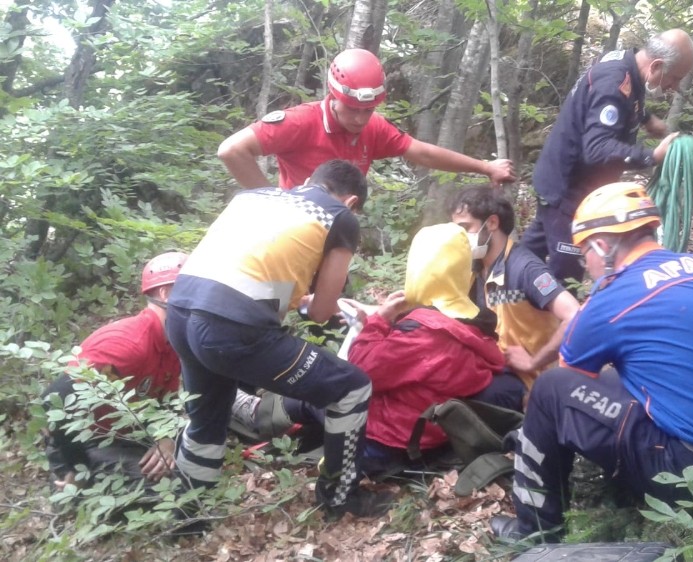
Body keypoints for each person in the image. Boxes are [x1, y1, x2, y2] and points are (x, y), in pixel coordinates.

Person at [490, 182, 693, 541]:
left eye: (583, 252)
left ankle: (535, 534)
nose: (585, 266)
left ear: (602, 246)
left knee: (549, 389)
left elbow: (568, 393)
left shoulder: (609, 300)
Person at [165, 159, 391, 519]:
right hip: (231, 328)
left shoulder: (254, 196)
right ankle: (339, 499)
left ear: (308, 180)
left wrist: (301, 303)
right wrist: (331, 306)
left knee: (207, 419)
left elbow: (253, 277)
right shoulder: (340, 217)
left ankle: (188, 516)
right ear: (351, 203)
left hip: (179, 311)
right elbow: (321, 313)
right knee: (351, 388)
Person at [230, 223, 509, 473]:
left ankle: (257, 414)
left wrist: (379, 321)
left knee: (325, 382)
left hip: (389, 439)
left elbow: (358, 374)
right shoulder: (475, 322)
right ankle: (270, 413)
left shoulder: (424, 335)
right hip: (425, 428)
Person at [521, 29, 693, 284]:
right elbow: (597, 148)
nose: (675, 86)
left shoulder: (627, 66)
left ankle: (498, 301)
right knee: (564, 280)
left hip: (558, 182)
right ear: (657, 65)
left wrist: (646, 118)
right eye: (675, 77)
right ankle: (547, 318)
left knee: (526, 256)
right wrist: (652, 156)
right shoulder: (613, 83)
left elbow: (621, 102)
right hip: (568, 192)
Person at [217, 48, 516, 190]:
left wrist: (485, 167)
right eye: (352, 108)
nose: (360, 119)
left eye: (368, 110)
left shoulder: (374, 128)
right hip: (293, 229)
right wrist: (272, 201)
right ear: (333, 96)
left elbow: (422, 152)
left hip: (338, 228)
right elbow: (231, 150)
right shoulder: (300, 122)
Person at [43, 251, 187, 491]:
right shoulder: (129, 343)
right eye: (193, 291)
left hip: (128, 433)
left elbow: (165, 402)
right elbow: (55, 400)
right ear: (165, 293)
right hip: (87, 440)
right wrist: (76, 467)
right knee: (178, 492)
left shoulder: (173, 344)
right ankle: (76, 488)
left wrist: (166, 440)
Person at [449, 186, 580, 409]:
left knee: (472, 398)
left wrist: (534, 361)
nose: (461, 236)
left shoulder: (525, 268)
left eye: (465, 227)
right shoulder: (473, 269)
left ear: (491, 223)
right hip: (495, 368)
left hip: (528, 381)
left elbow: (575, 315)